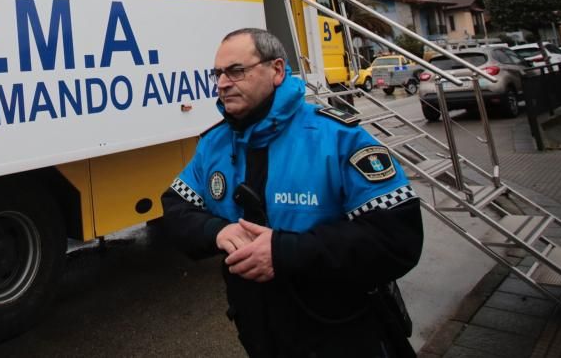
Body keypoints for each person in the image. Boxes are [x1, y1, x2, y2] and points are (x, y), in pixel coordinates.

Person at [161, 28, 423, 357]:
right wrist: (217, 230)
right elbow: (174, 209)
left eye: (236, 71)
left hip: (342, 335)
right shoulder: (213, 144)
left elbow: (397, 237)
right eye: (218, 73)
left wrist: (285, 252)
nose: (223, 83)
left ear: (277, 70)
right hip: (258, 335)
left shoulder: (337, 137)